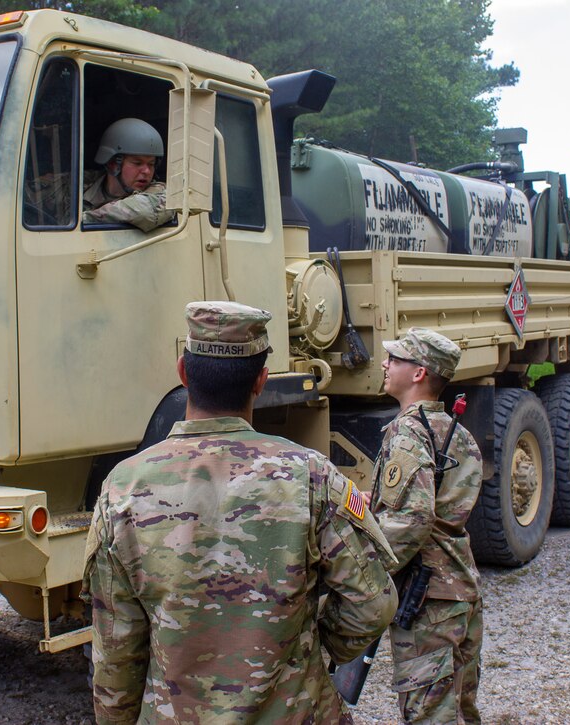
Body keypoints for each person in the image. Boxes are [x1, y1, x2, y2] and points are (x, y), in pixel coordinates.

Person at [82, 301, 398, 724]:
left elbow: (116, 651)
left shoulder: (123, 489)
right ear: (261, 382)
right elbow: (373, 603)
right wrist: (307, 648)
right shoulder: (311, 477)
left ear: (182, 373)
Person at [372, 328, 484, 724]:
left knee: (430, 715)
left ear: (419, 373)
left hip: (428, 603)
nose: (385, 364)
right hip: (461, 588)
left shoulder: (407, 432)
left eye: (395, 359)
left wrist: (361, 576)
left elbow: (411, 520)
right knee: (461, 708)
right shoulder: (460, 436)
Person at [81, 117, 174, 231]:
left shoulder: (160, 192)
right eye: (137, 163)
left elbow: (144, 212)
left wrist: (84, 220)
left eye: (151, 164)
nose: (147, 171)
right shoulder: (83, 184)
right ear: (113, 164)